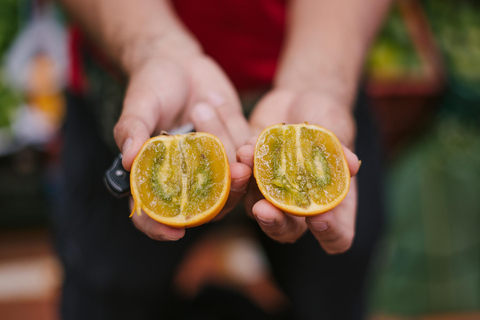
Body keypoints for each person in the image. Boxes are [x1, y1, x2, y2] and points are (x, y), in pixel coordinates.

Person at [54, 0, 391, 319]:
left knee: (330, 298)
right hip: (137, 82)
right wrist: (152, 48)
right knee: (110, 296)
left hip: (319, 82)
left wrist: (321, 81)